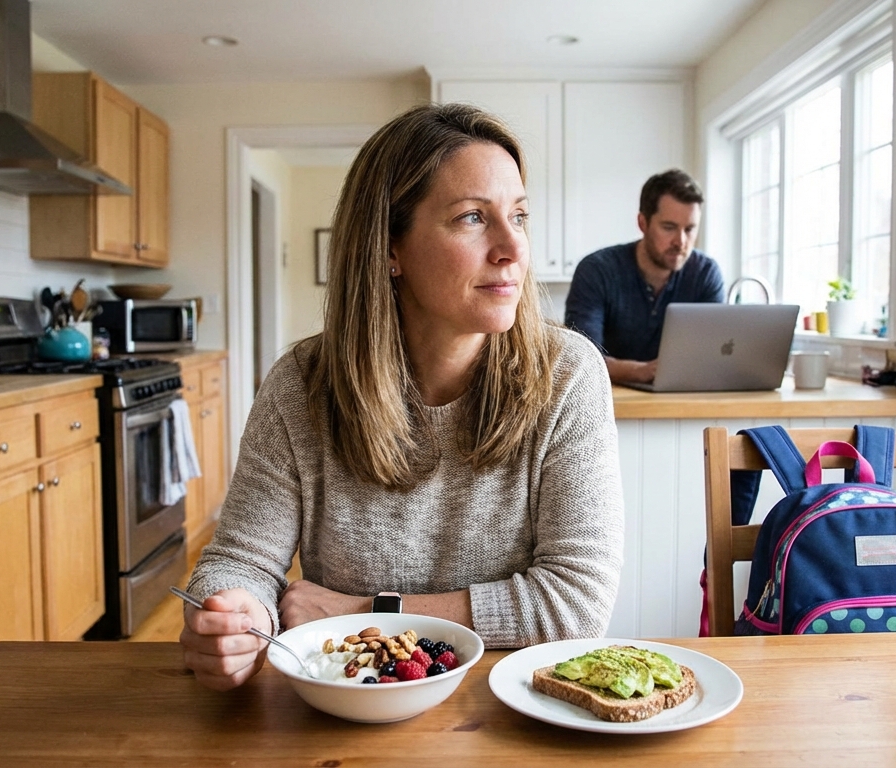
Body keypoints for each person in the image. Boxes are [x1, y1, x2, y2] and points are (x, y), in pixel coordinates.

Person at [180, 103, 624, 691]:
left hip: (514, 711)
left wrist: (366, 613)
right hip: (349, 712)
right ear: (390, 248)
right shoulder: (303, 384)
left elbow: (575, 606)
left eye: (519, 215)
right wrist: (233, 620)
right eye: (472, 218)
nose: (513, 248)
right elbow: (241, 562)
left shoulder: (568, 374)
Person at [564, 169, 725, 386]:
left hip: (682, 400)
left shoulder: (705, 274)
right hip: (608, 401)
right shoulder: (597, 271)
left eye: (690, 229)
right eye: (669, 228)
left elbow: (714, 356)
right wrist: (641, 371)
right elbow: (581, 359)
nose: (681, 241)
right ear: (643, 223)